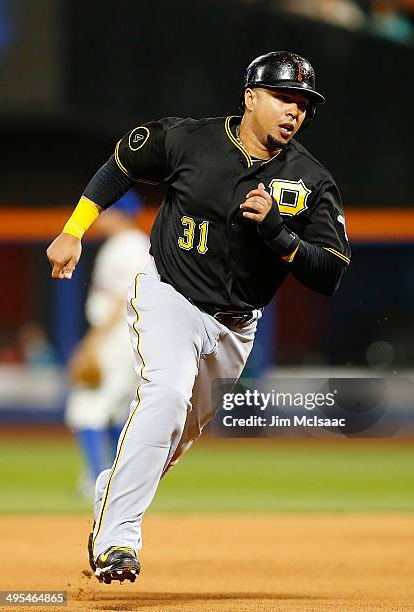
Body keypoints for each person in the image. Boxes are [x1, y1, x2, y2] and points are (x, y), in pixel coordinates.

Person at [46, 50, 351, 584]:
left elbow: (330, 272)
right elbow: (120, 164)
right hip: (170, 295)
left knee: (174, 438)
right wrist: (74, 229)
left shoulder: (310, 180)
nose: (293, 111)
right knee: (164, 395)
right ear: (251, 97)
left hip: (237, 326)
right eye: (283, 97)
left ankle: (113, 494)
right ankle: (117, 541)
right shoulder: (189, 140)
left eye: (302, 103)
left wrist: (279, 235)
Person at [65, 191, 150, 498]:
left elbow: (118, 300)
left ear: (119, 214)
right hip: (130, 335)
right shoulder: (136, 245)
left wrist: (92, 342)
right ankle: (117, 480)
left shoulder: (126, 247)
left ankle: (96, 480)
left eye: (104, 212)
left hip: (115, 335)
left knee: (85, 407)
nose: (99, 218)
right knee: (116, 410)